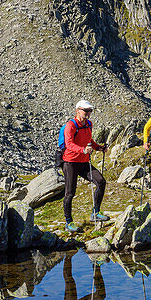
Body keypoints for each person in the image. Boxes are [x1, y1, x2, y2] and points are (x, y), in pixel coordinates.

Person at [58, 99, 108, 232]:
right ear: (78, 110)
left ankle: (95, 213)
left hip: (84, 162)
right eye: (86, 110)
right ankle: (68, 222)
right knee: (70, 192)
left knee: (101, 181)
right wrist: (83, 150)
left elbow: (89, 140)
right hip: (70, 163)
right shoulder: (71, 126)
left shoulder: (89, 124)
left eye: (90, 110)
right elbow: (69, 144)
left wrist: (99, 148)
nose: (88, 113)